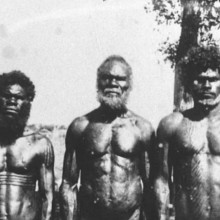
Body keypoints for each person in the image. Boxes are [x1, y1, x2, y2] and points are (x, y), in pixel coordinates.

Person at [59, 55, 154, 220]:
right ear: (98, 82)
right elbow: (68, 183)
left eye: (119, 79)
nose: (112, 83)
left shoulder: (141, 128)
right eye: (106, 78)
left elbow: (151, 185)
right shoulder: (80, 127)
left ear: (129, 85)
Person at [153, 46, 220, 220]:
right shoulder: (172, 124)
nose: (206, 86)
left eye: (213, 79)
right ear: (189, 83)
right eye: (199, 79)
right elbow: (161, 179)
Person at [0, 71, 54, 220]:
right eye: (6, 96)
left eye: (18, 98)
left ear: (28, 102)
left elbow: (47, 198)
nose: (12, 101)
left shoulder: (39, 145)